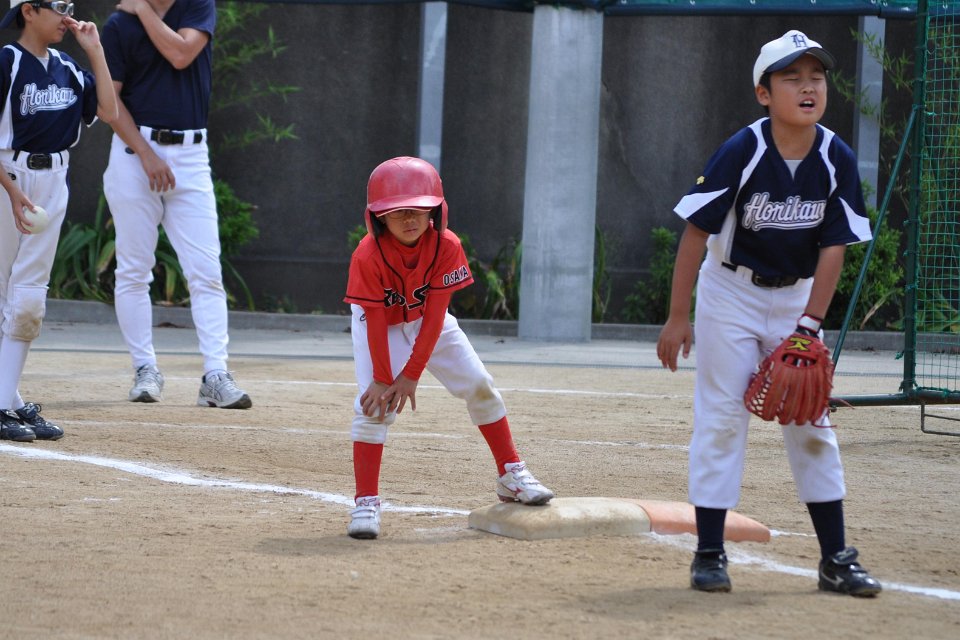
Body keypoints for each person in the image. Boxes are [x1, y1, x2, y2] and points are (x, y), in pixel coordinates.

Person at [656, 31, 882, 597]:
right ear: (764, 93)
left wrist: (809, 325)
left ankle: (836, 559)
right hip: (731, 294)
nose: (809, 87)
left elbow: (834, 247)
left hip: (796, 298)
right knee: (721, 418)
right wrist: (679, 316)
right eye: (792, 78)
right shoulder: (744, 149)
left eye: (817, 77)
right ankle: (710, 554)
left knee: (811, 421)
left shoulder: (834, 155)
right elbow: (696, 232)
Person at [343, 156, 554, 539]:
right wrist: (384, 378)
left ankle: (510, 473)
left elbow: (436, 316)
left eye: (419, 208)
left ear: (435, 211)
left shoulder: (446, 245)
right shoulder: (367, 255)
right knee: (373, 407)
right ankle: (366, 501)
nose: (410, 218)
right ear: (379, 218)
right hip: (380, 326)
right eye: (397, 211)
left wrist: (411, 375)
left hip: (427, 320)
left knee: (480, 384)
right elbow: (373, 320)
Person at [100, 0, 251, 409]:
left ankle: (216, 374)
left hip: (192, 154)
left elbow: (182, 54)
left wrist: (143, 10)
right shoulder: (117, 25)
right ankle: (144, 369)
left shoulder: (197, 5)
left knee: (206, 271)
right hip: (134, 154)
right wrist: (146, 154)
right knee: (134, 269)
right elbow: (109, 104)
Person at [0, 0, 118, 442]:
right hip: (11, 177)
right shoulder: (7, 62)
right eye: (58, 6)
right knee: (5, 291)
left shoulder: (67, 67)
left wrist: (95, 51)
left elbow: (109, 111)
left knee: (29, 296)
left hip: (54, 181)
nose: (68, 16)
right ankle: (4, 402)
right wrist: (12, 192)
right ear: (29, 11)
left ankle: (7, 399)